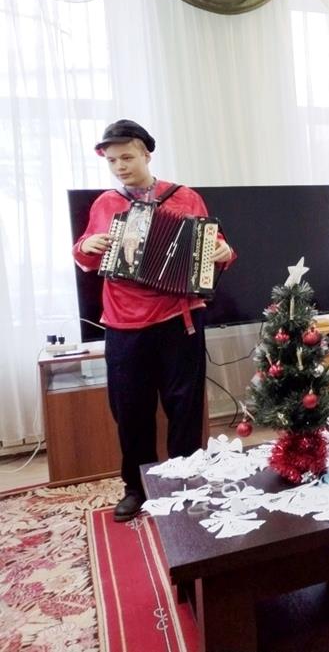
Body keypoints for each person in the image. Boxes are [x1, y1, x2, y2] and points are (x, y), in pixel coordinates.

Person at [73, 119, 234, 522]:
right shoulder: (106, 204)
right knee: (130, 411)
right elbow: (85, 254)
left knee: (185, 409)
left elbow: (213, 247)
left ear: (146, 154)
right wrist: (88, 244)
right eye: (112, 160)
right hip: (124, 323)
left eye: (127, 157)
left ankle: (185, 482)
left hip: (179, 318)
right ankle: (137, 487)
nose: (120, 167)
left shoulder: (185, 197)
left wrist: (223, 251)